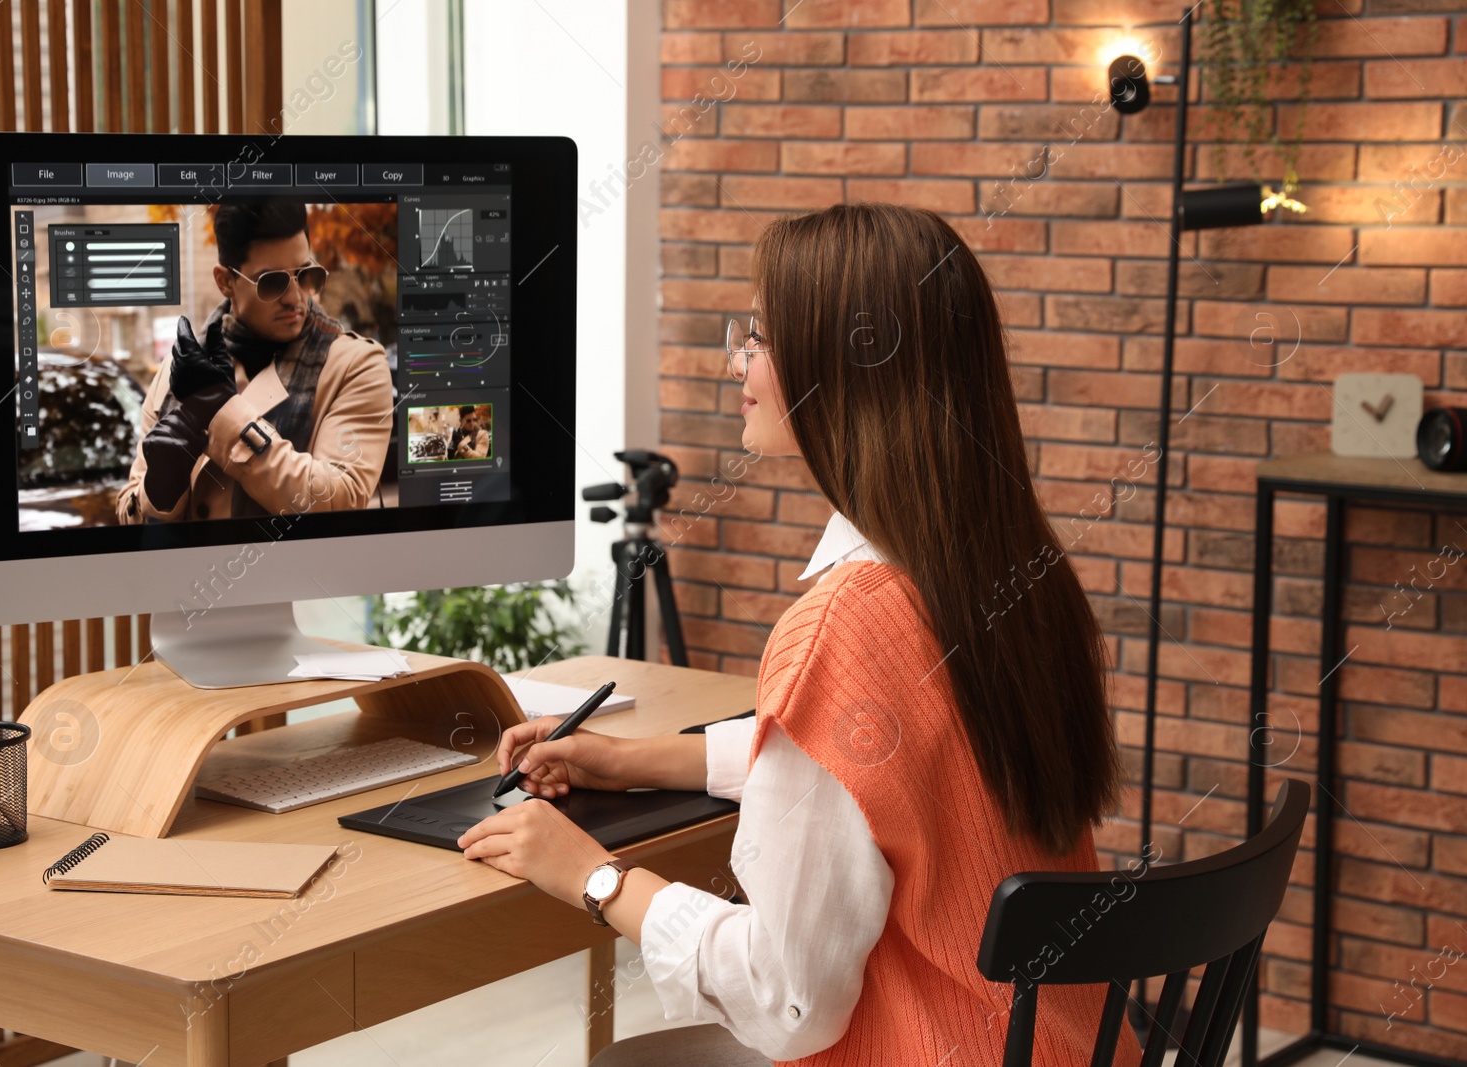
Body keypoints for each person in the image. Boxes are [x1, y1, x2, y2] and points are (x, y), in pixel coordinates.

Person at [455, 203, 1140, 1067]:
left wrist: (595, 876)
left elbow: (790, 1001)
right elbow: (885, 759)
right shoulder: (1016, 574)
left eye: (765, 337)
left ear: (847, 371)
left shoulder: (844, 623)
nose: (738, 358)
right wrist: (634, 760)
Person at [118, 200, 392, 524]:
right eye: (272, 282)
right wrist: (160, 490)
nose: (295, 298)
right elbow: (130, 512)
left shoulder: (356, 366)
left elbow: (340, 500)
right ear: (225, 281)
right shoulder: (176, 371)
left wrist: (222, 412)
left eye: (305, 275)